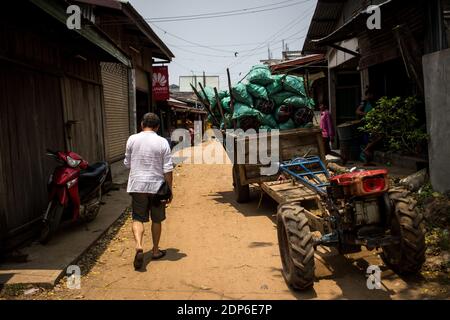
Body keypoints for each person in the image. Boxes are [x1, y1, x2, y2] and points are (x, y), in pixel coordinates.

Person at [124, 113, 174, 270]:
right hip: (157, 187)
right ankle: (155, 250)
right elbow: (168, 169)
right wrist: (170, 190)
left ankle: (139, 245)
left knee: (138, 218)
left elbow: (127, 163)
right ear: (158, 127)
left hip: (137, 185)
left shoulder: (132, 139)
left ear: (141, 124)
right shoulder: (162, 142)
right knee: (157, 220)